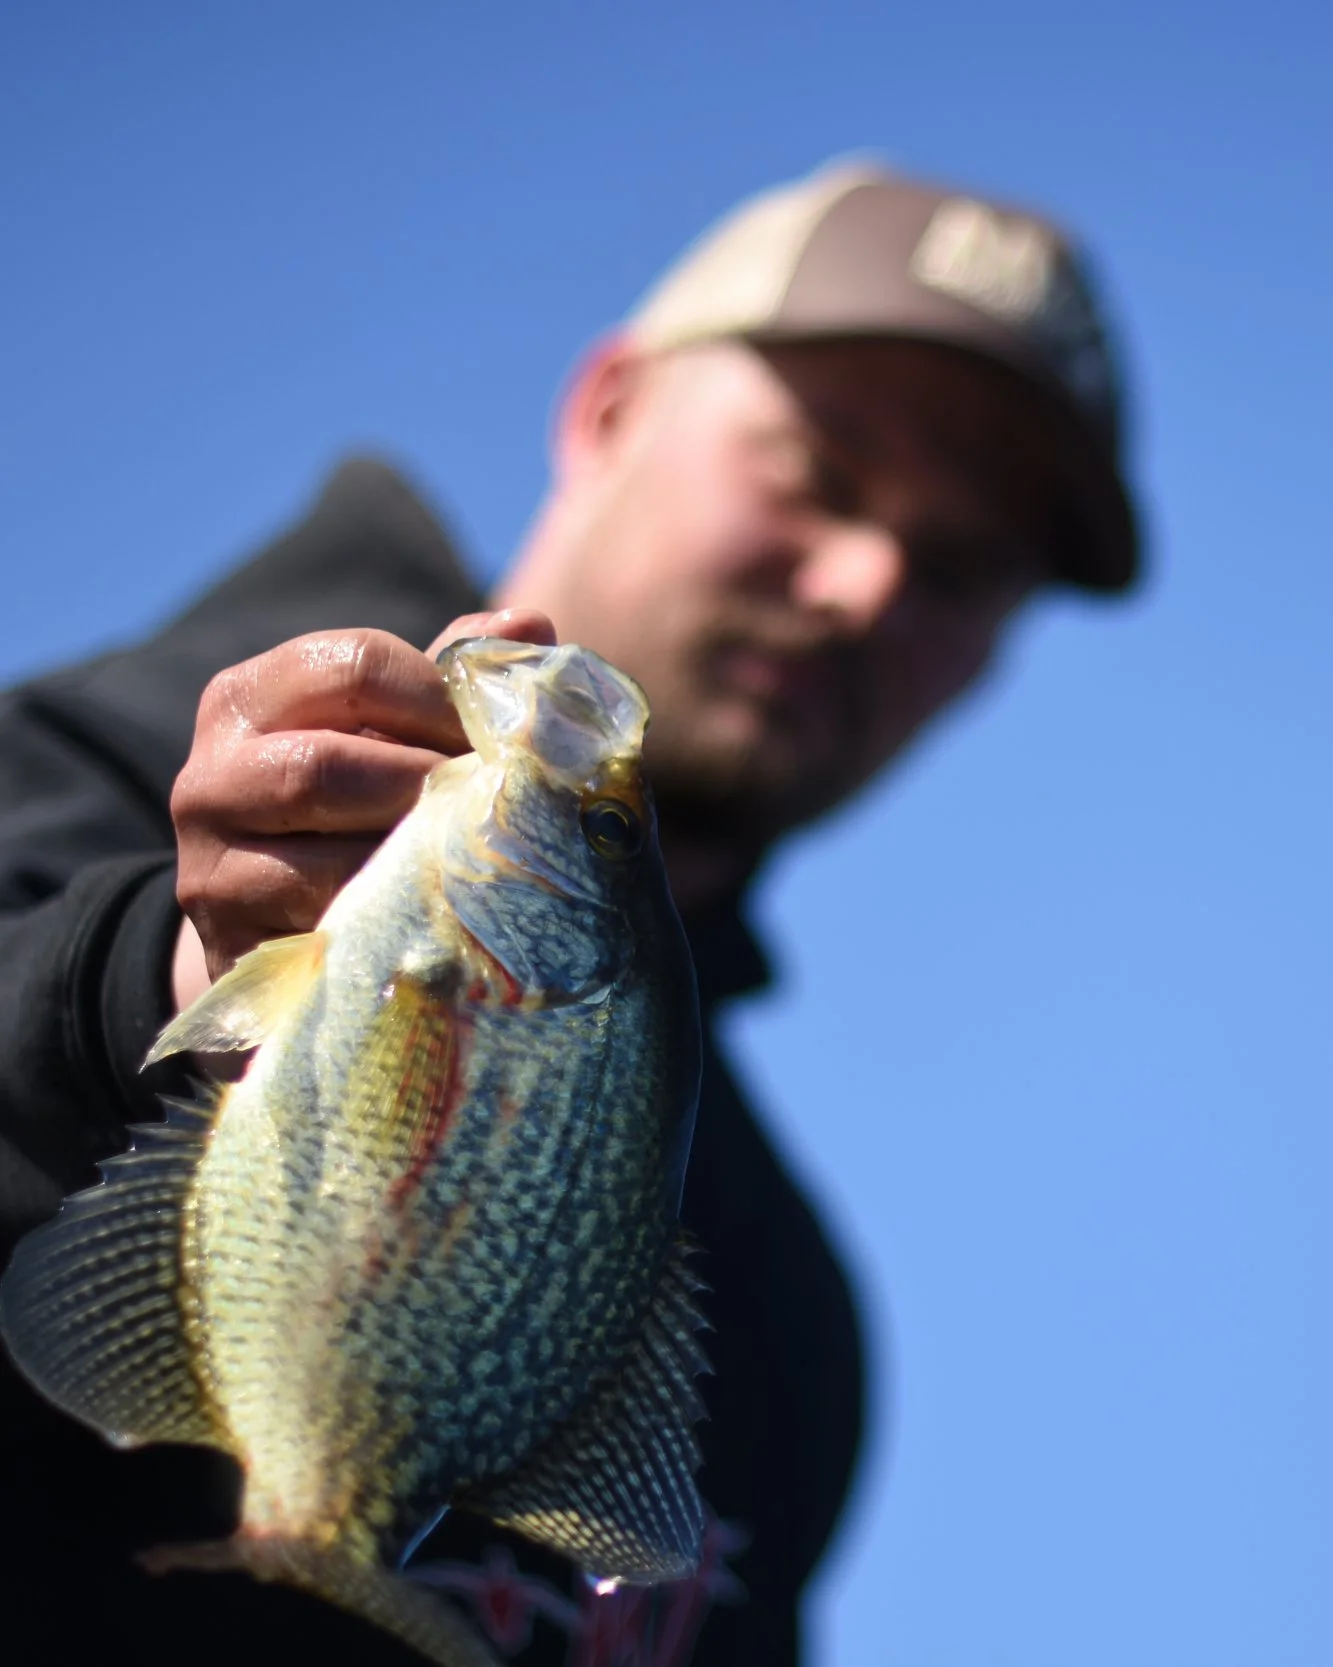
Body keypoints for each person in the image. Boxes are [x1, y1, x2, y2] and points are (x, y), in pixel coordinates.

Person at [0, 159, 1143, 1667]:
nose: (867, 582)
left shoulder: (786, 1326)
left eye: (961, 567)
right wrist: (162, 972)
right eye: (823, 469)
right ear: (608, 409)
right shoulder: (79, 773)